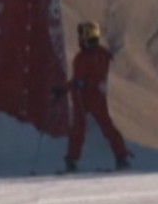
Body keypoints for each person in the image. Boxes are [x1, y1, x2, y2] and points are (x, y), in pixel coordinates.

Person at [56, 21, 132, 172]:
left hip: (88, 97)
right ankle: (120, 156)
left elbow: (86, 78)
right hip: (89, 97)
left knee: (91, 128)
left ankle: (120, 156)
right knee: (93, 128)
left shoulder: (90, 56)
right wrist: (65, 89)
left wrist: (69, 88)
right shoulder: (95, 55)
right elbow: (83, 78)